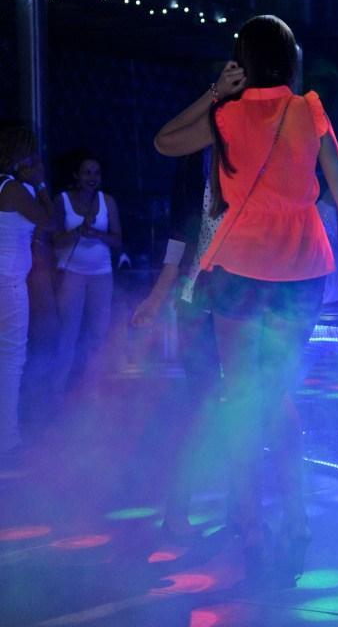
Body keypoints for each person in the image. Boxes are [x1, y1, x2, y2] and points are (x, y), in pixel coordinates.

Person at [154, 15, 338, 585]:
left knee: (245, 396)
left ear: (242, 60)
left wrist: (214, 92)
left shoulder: (225, 115)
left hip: (239, 269)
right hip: (302, 270)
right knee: (277, 394)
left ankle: (252, 528)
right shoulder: (309, 109)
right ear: (291, 58)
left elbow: (165, 141)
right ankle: (296, 519)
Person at [131, 150, 224, 538]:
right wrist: (155, 300)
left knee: (239, 405)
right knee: (199, 406)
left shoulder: (251, 163)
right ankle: (177, 511)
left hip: (242, 301)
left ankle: (242, 511)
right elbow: (177, 243)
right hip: (200, 302)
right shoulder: (194, 171)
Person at [0, 124, 54, 458]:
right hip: (7, 281)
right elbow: (50, 220)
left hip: (7, 276)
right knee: (11, 358)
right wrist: (41, 184)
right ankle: (7, 439)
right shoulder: (13, 189)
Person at [52, 152, 121, 401]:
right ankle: (57, 391)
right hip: (72, 273)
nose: (92, 177)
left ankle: (93, 391)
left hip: (101, 273)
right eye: (87, 172)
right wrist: (78, 231)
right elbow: (55, 241)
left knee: (98, 334)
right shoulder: (62, 200)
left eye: (96, 173)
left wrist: (98, 234)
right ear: (76, 175)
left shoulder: (107, 201)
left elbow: (117, 240)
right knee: (68, 334)